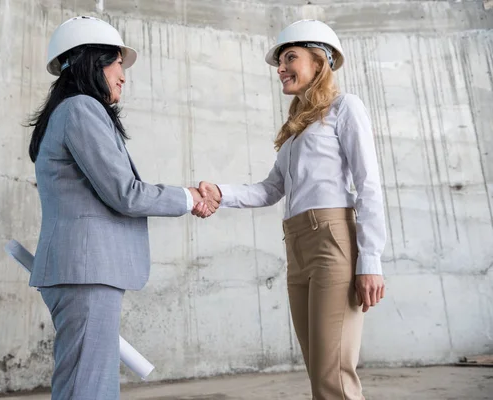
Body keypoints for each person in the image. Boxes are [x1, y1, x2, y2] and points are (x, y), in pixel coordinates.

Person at [27, 16, 216, 399]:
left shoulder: (67, 112)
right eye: (117, 63)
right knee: (88, 389)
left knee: (86, 385)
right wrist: (188, 197)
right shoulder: (81, 109)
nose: (123, 76)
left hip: (85, 272)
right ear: (91, 62)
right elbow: (124, 192)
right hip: (86, 272)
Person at [196, 19, 386, 400]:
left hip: (333, 243)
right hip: (298, 247)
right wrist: (220, 191)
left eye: (289, 58)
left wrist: (371, 261)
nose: (280, 68)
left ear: (319, 62)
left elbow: (367, 185)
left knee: (334, 376)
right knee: (319, 372)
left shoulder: (345, 108)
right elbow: (270, 189)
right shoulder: (297, 129)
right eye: (280, 61)